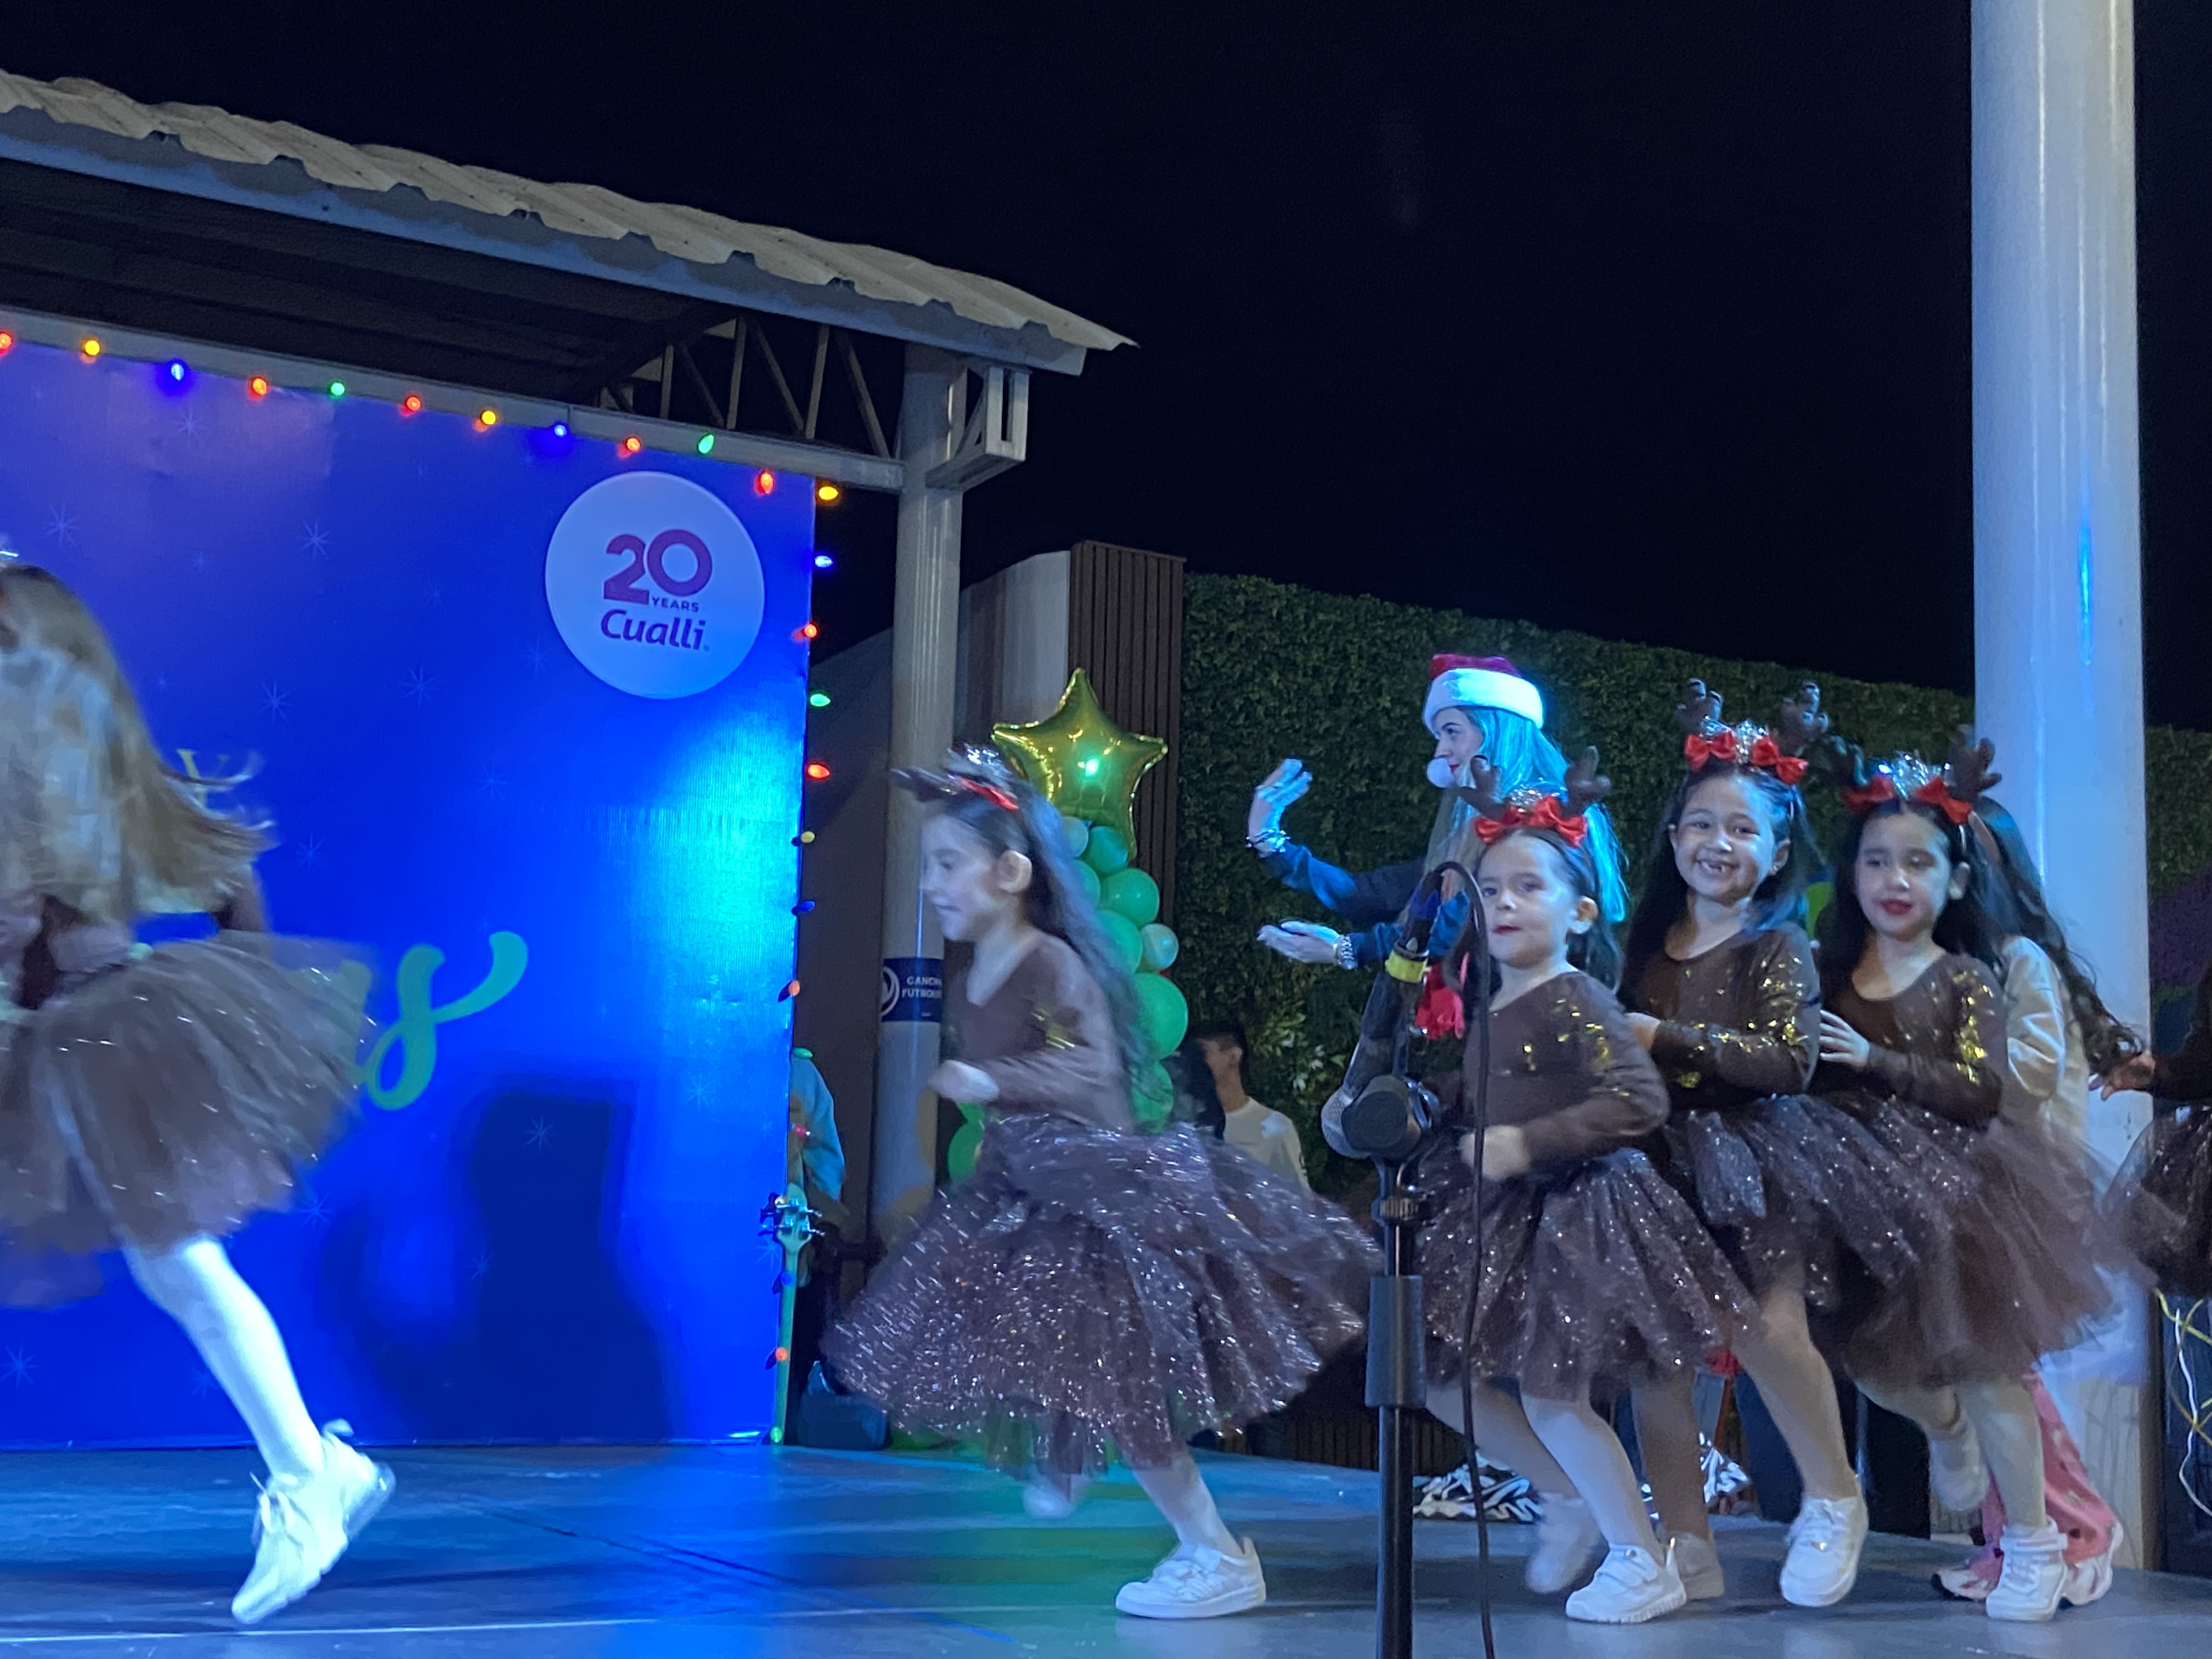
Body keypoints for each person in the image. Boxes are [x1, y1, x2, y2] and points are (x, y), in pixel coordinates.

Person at [824, 749, 1375, 1621]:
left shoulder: (1050, 963)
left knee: (1122, 1379)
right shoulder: (971, 983)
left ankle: (1211, 1549)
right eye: (929, 866)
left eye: (948, 865)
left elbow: (1092, 1071)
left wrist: (997, 1080)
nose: (932, 885)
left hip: (1099, 1195)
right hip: (1029, 1189)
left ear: (1012, 873)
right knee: (1022, 1330)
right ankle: (1069, 1448)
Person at [0, 565, 389, 1626]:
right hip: (48, 1045)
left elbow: (221, 876)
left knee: (178, 1261)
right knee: (175, 1267)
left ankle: (311, 1474)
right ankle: (316, 1469)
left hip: (105, 1042)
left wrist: (246, 1000)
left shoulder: (80, 776)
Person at [1418, 752, 1752, 1625]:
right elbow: (1496, 1090)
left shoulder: (1576, 998)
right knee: (1440, 1378)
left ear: (1581, 910)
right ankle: (1566, 1494)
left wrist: (1526, 1142)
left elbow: (1638, 1100)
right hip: (1505, 1213)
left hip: (1579, 1211)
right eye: (1492, 889)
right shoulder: (1493, 1004)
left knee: (1554, 1393)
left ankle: (1640, 1557)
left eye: (1529, 888)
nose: (1505, 904)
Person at [1617, 682, 1927, 1610]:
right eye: (1702, 824)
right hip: (1655, 1159)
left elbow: (1789, 1060)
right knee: (1654, 1357)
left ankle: (1833, 1495)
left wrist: (1666, 1038)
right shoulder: (1643, 943)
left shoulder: (1777, 943)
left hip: (1758, 1158)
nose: (1719, 843)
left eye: (1743, 829)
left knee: (1769, 1329)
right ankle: (1684, 1542)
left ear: (1778, 852)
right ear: (1674, 835)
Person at [1811, 732, 2126, 1623]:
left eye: (1926, 858)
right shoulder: (1859, 964)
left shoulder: (1997, 965)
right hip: (1883, 1186)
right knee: (1902, 1361)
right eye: (1880, 858)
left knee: (1996, 1372)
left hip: (1986, 1188)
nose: (1898, 876)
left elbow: (2009, 1082)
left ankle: (2055, 1536)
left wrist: (1890, 1065)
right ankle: (2003, 1519)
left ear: (1964, 873)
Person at [1929, 801, 2134, 1607]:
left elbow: (2033, 1074)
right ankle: (2019, 1535)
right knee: (1983, 1372)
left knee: (2002, 1371)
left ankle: (2077, 1528)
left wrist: (1940, 1072)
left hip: (2015, 1191)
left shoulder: (2017, 960)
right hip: (1963, 1188)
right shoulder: (1943, 963)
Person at [1248, 655, 1628, 977]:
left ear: (1494, 730)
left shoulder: (1541, 818)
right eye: (1439, 736)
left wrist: (1346, 949)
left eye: (1452, 732)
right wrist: (1268, 838)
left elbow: (1456, 924)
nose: (1440, 751)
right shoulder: (1478, 828)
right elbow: (1372, 892)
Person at [1189, 1019, 1308, 1188]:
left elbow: (1299, 1197)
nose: (1194, 1062)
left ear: (1233, 1056)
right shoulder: (1186, 1124)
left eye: (1202, 1053)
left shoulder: (1275, 1127)